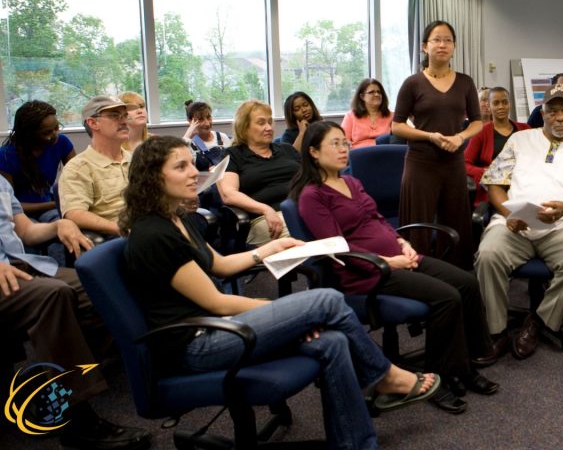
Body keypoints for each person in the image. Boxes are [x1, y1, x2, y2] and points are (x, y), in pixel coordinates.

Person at [121, 135, 439, 449]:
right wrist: (282, 311)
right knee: (326, 299)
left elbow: (220, 265)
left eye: (192, 164)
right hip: (197, 345)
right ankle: (385, 376)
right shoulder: (153, 234)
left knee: (333, 340)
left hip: (219, 328)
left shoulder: (178, 218)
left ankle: (355, 443)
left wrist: (271, 248)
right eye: (181, 167)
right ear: (152, 177)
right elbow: (216, 302)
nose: (194, 172)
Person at [292, 121, 498, 415]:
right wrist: (390, 262)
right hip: (367, 271)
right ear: (313, 152)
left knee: (467, 282)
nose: (343, 149)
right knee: (447, 297)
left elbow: (376, 219)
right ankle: (441, 377)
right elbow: (337, 248)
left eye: (345, 143)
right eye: (335, 144)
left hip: (398, 258)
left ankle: (466, 365)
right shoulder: (313, 196)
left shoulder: (351, 182)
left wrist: (402, 243)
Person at [0, 179, 150, 450]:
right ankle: (77, 421)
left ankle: (46, 386)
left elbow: (27, 232)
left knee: (102, 287)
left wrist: (59, 224)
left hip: (21, 266)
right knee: (53, 295)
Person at [475, 84, 563, 361]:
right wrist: (508, 213)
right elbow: (493, 184)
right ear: (543, 113)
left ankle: (539, 320)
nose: (560, 117)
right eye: (553, 111)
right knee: (488, 255)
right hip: (515, 224)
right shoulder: (520, 140)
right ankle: (496, 331)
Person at [391, 20, 482, 269]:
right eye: (436, 40)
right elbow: (397, 126)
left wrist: (460, 137)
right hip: (421, 163)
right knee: (417, 225)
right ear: (424, 47)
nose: (442, 45)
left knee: (456, 224)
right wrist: (430, 136)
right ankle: (416, 275)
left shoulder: (465, 82)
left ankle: (454, 277)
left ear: (454, 46)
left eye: (448, 40)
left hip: (453, 162)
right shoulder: (413, 83)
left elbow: (477, 122)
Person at [218, 100, 297, 245]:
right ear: (245, 127)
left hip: (303, 209)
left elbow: (311, 178)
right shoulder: (233, 155)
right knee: (301, 236)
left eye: (269, 122)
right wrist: (265, 209)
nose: (268, 127)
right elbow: (228, 194)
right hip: (265, 218)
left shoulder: (287, 149)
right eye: (261, 123)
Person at [58, 96, 132, 240]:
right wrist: (123, 229)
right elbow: (75, 213)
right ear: (92, 122)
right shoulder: (78, 167)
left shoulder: (136, 159)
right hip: (117, 237)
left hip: (147, 228)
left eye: (125, 116)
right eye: (115, 116)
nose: (123, 121)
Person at [0, 100, 76, 222]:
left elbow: (78, 178)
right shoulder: (6, 156)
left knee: (69, 225)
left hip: (50, 206)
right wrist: (54, 204)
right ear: (28, 134)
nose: (55, 134)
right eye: (46, 132)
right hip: (21, 214)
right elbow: (9, 206)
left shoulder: (61, 143)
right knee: (40, 235)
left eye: (56, 128)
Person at [464, 87, 529, 205]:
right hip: (493, 193)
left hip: (524, 188)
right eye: (496, 103)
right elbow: (464, 163)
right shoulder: (481, 132)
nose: (501, 107)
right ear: (489, 106)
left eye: (505, 102)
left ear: (510, 104)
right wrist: (483, 172)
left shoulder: (525, 129)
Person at [343, 78, 394, 149]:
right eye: (371, 92)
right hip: (359, 155)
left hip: (385, 154)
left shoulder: (392, 116)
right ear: (362, 96)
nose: (376, 94)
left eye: (379, 92)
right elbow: (344, 141)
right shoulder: (350, 116)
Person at [182, 100, 232, 171]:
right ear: (190, 121)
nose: (207, 123)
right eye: (201, 119)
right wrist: (188, 135)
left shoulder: (222, 137)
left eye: (209, 117)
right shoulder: (188, 144)